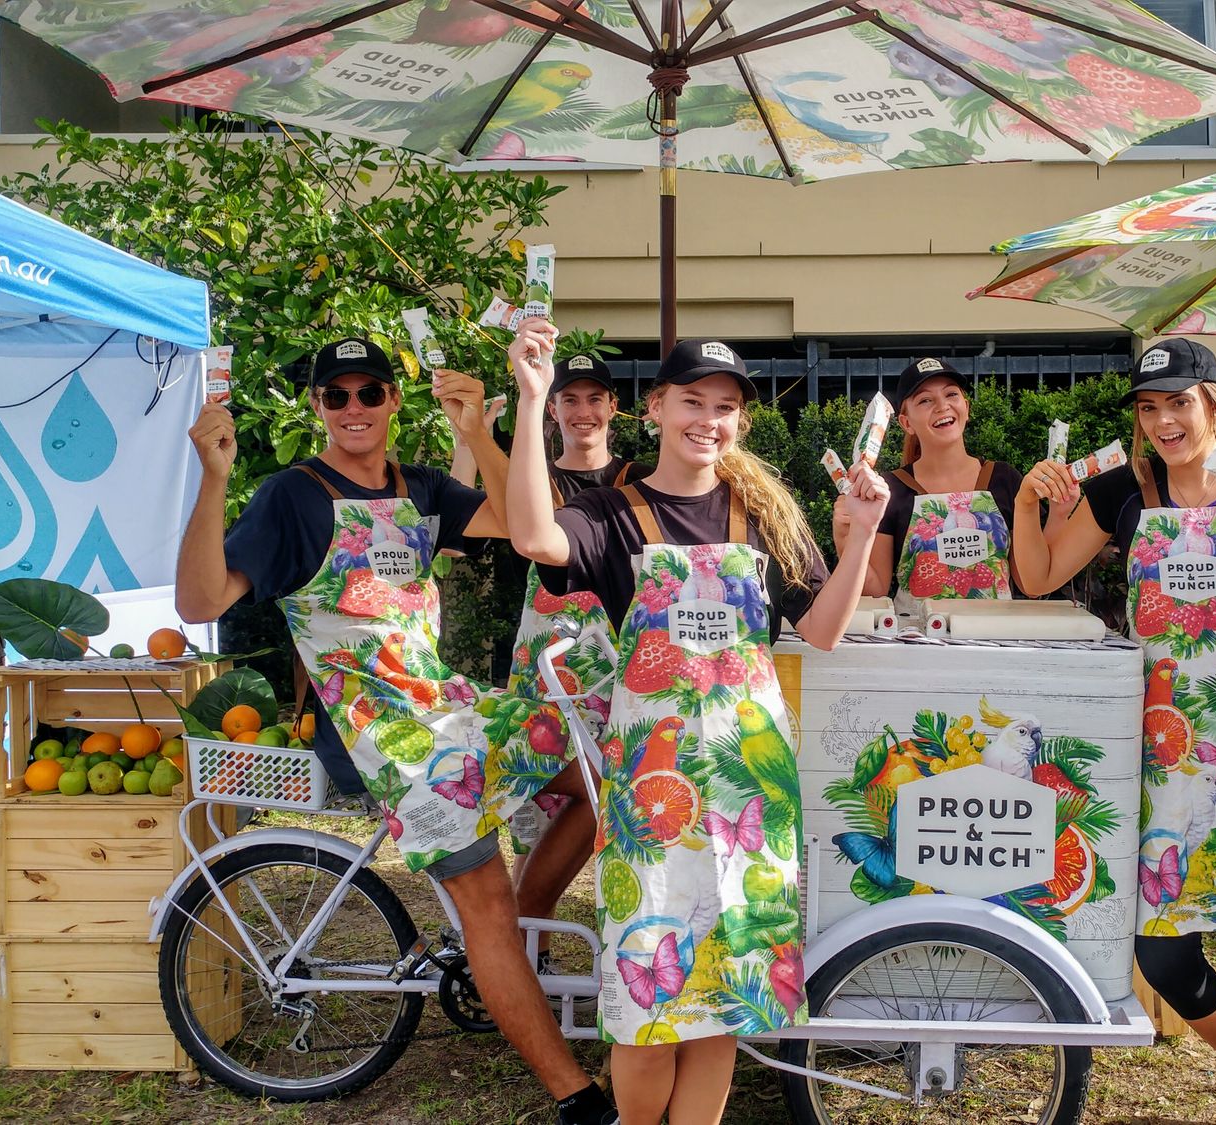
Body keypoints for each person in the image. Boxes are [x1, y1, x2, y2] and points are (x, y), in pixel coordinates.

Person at [174, 336, 615, 1125]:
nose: (352, 408)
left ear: (390, 402)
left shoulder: (419, 486)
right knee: (480, 898)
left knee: (595, 767)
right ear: (316, 406)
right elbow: (201, 603)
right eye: (334, 395)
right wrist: (213, 481)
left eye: (368, 392)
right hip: (374, 732)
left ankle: (518, 933)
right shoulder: (291, 495)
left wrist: (480, 429)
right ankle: (577, 1100)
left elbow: (525, 527)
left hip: (446, 708)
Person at [506, 329, 887, 1125]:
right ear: (654, 408)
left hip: (751, 792)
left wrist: (863, 532)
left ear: (740, 421)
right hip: (653, 800)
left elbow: (820, 630)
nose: (707, 419)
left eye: (724, 407)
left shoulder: (764, 513)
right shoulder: (608, 513)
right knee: (649, 998)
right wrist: (533, 398)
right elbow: (533, 538)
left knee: (730, 995)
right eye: (691, 401)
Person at [1014, 338, 1216, 1125]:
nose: (1164, 420)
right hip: (1163, 738)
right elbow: (1038, 576)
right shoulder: (1125, 488)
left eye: (1179, 402)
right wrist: (1026, 504)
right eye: (1149, 406)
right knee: (1161, 942)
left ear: (1215, 405)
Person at [452, 351, 637, 981]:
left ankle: (598, 942)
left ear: (614, 408)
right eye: (569, 399)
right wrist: (473, 435)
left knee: (616, 802)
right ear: (552, 410)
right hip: (550, 662)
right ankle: (530, 956)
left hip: (621, 662)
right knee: (540, 805)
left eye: (594, 399)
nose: (582, 412)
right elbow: (485, 523)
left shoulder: (637, 481)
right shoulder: (529, 474)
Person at [841, 357, 1026, 614]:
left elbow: (1029, 580)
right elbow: (876, 589)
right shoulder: (889, 489)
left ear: (966, 407)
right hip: (915, 641)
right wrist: (844, 535)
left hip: (996, 637)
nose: (942, 406)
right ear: (906, 423)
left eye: (951, 394)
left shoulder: (1005, 480)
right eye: (925, 400)